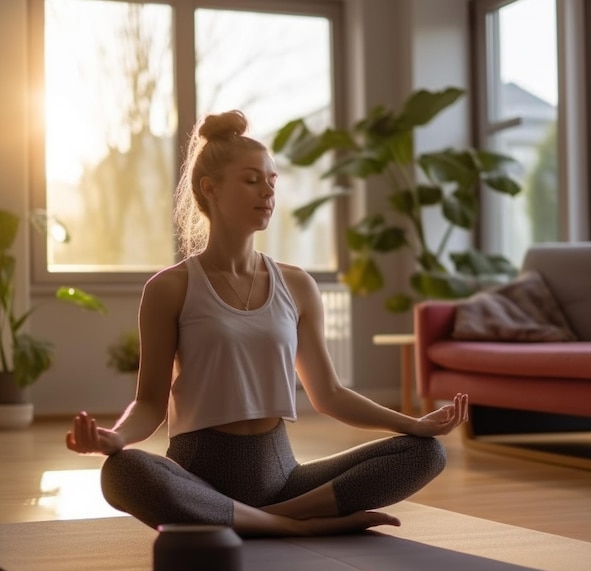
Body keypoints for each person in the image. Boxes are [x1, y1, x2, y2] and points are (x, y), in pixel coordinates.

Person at [66, 110, 468, 538]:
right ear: (211, 188)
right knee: (122, 472)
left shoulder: (296, 285)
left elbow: (329, 394)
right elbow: (149, 402)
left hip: (281, 476)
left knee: (426, 454)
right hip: (199, 478)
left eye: (272, 181)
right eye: (252, 179)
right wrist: (116, 438)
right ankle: (292, 525)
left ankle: (270, 518)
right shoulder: (170, 288)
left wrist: (413, 424)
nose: (268, 192)